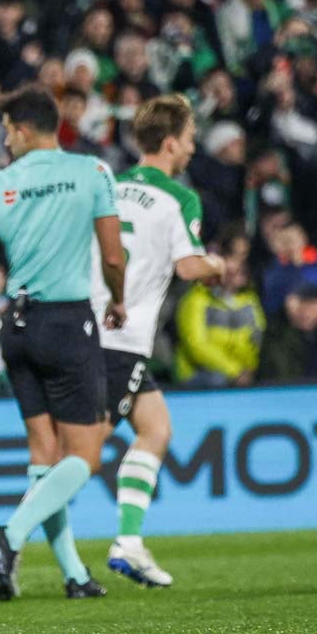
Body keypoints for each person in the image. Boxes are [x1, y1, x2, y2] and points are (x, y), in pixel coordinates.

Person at [0, 83, 124, 601]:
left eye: (8, 130)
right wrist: (120, 299)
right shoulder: (91, 173)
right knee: (86, 456)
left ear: (19, 128)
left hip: (15, 329)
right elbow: (112, 256)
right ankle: (11, 535)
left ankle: (73, 574)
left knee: (46, 456)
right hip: (67, 323)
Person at [90, 94, 225, 589]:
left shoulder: (111, 186)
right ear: (170, 143)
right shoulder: (180, 198)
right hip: (122, 336)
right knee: (83, 453)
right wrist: (218, 266)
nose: (191, 150)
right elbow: (190, 267)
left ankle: (128, 541)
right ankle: (12, 536)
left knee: (156, 428)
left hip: (91, 324)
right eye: (189, 141)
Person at [175, 237, 265, 387]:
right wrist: (235, 371)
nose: (235, 275)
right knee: (217, 379)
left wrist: (248, 370)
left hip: (241, 372)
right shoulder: (196, 299)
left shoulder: (250, 300)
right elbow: (197, 346)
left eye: (240, 271)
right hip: (197, 373)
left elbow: (256, 337)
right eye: (229, 271)